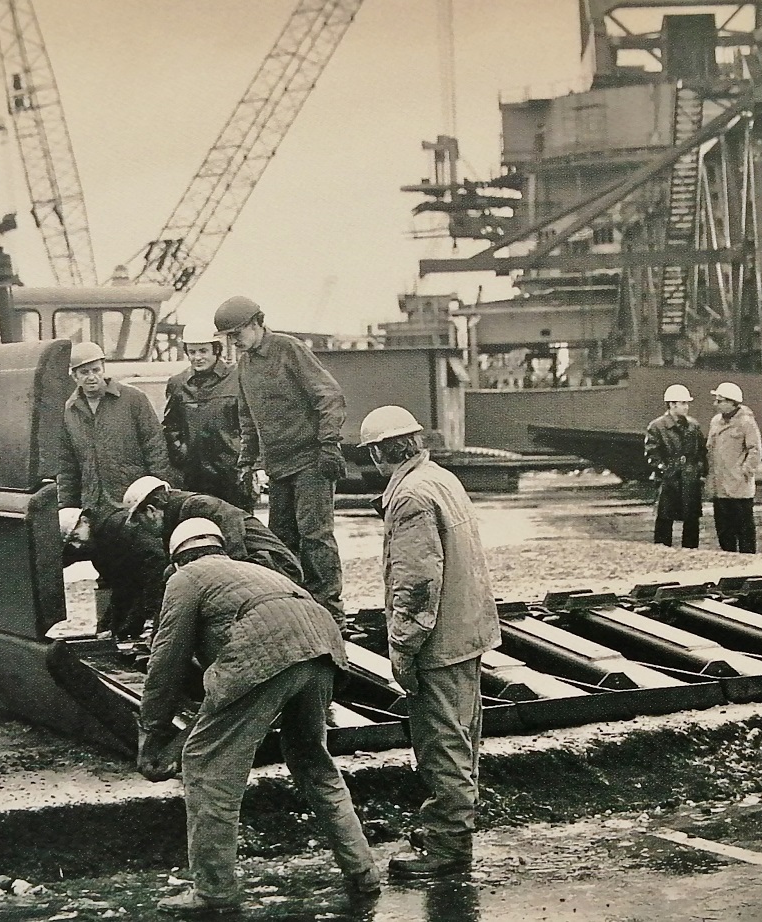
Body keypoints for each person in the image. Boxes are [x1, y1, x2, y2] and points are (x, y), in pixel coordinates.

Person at [138, 518, 380, 914]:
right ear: (219, 547)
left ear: (177, 559)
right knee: (312, 760)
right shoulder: (253, 571)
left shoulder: (186, 579)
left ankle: (214, 892)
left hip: (266, 651)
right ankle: (363, 869)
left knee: (206, 764)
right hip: (323, 648)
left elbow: (166, 662)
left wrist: (151, 732)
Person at [358, 405, 501, 879]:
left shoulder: (411, 497)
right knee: (462, 738)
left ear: (381, 451)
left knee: (442, 745)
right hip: (467, 631)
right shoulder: (441, 478)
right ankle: (450, 830)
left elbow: (417, 581)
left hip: (439, 641)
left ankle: (448, 848)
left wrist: (402, 643)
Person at [213, 295, 347, 623]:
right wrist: (248, 460)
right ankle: (295, 606)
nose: (234, 341)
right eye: (229, 337)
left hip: (311, 460)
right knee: (281, 539)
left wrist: (329, 443)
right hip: (278, 466)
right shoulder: (244, 364)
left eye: (238, 333)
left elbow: (329, 396)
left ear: (258, 322)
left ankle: (329, 610)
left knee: (314, 533)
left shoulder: (289, 350)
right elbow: (248, 416)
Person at [57, 340, 174, 515]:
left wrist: (160, 498)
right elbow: (67, 467)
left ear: (103, 368)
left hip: (135, 505)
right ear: (74, 376)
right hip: (94, 508)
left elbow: (155, 449)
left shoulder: (133, 399)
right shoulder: (70, 411)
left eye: (96, 370)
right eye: (84, 372)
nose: (91, 377)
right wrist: (68, 510)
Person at [122, 475, 304, 585]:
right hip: (260, 571)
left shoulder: (198, 506)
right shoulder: (173, 521)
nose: (141, 527)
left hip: (280, 570)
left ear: (151, 511)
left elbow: (235, 554)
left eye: (139, 520)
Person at [162, 325, 253, 512]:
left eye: (203, 351)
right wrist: (182, 454)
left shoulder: (237, 377)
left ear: (216, 350)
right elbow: (171, 426)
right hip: (195, 477)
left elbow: (250, 423)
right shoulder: (178, 384)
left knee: (237, 527)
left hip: (232, 475)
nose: (197, 357)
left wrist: (245, 462)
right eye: (192, 351)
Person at [59, 506, 167, 640]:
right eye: (71, 542)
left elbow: (156, 563)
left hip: (160, 582)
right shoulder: (97, 538)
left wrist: (148, 615)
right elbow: (121, 588)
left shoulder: (117, 527)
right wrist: (111, 627)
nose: (77, 545)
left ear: (85, 520)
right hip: (138, 583)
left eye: (75, 536)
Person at [644, 384, 707, 549]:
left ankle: (691, 551)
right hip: (668, 480)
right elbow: (652, 454)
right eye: (683, 403)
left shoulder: (694, 426)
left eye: (686, 403)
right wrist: (666, 470)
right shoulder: (656, 427)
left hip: (690, 478)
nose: (686, 407)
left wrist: (698, 470)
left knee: (691, 519)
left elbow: (701, 451)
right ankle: (662, 550)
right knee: (665, 518)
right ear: (672, 404)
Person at [706, 381, 762, 554]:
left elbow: (755, 450)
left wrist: (745, 471)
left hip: (739, 487)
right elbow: (709, 448)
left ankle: (748, 560)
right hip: (720, 485)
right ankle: (728, 558)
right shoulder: (715, 422)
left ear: (732, 403)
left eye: (720, 401)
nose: (716, 404)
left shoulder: (746, 422)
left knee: (744, 528)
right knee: (724, 528)